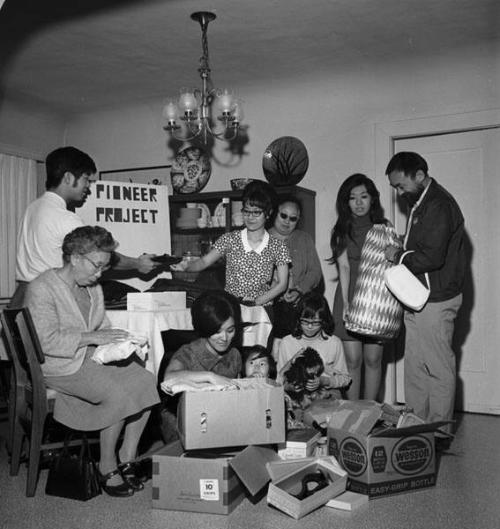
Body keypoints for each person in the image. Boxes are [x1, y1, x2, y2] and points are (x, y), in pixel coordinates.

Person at [25, 226, 160, 497]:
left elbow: (101, 326)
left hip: (87, 357)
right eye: (97, 266)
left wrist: (122, 342)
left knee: (146, 380)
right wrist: (93, 337)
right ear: (75, 257)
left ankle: (127, 455)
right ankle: (106, 464)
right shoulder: (42, 289)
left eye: (104, 267)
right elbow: (45, 342)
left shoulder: (91, 288)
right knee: (119, 393)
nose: (100, 274)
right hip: (58, 365)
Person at [11, 146, 158, 308]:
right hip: (49, 299)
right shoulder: (65, 218)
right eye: (85, 179)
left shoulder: (32, 208)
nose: (88, 185)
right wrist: (138, 263)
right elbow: (100, 256)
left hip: (21, 298)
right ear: (68, 177)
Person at [385, 152, 465, 439]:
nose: (398, 192)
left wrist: (398, 254)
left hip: (437, 298)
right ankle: (417, 427)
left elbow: (432, 256)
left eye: (400, 186)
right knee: (416, 365)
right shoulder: (420, 202)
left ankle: (440, 433)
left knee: (438, 365)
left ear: (419, 176)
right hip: (420, 297)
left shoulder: (438, 204)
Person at [171, 181, 290, 309]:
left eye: (256, 213)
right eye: (246, 211)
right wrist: (186, 266)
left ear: (268, 213)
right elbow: (204, 262)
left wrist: (256, 302)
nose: (250, 217)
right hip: (233, 308)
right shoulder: (230, 239)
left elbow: (282, 284)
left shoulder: (278, 246)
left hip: (262, 310)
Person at [329, 173, 390, 401]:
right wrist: (346, 303)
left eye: (364, 196)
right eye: (353, 198)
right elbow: (344, 268)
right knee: (353, 361)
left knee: (373, 359)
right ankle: (354, 415)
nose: (359, 202)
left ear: (372, 198)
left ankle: (370, 413)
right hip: (349, 296)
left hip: (376, 300)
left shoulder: (384, 227)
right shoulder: (341, 230)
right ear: (346, 202)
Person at [162, 290, 243, 389]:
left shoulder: (234, 355)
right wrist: (210, 377)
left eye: (230, 331)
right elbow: (168, 378)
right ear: (205, 328)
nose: (225, 338)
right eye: (217, 332)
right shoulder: (189, 353)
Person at [276, 291, 351, 395]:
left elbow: (345, 379)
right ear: (298, 320)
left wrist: (324, 381)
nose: (310, 327)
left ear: (323, 321)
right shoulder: (287, 342)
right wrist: (290, 387)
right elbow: (278, 380)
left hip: (326, 396)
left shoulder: (334, 342)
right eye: (305, 321)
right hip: (296, 398)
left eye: (315, 322)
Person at [269, 195, 323, 338]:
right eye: (283, 216)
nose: (287, 221)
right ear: (275, 213)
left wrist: (299, 290)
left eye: (293, 218)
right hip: (269, 308)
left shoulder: (304, 239)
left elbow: (315, 272)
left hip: (297, 308)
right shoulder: (262, 239)